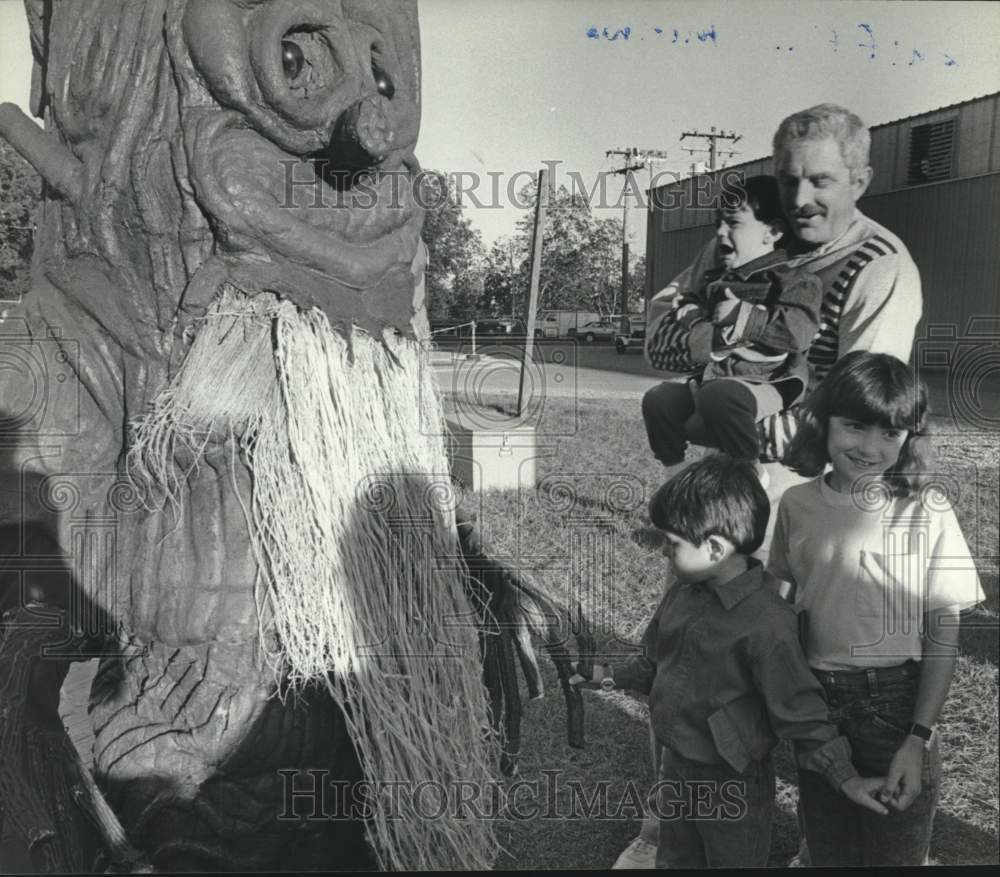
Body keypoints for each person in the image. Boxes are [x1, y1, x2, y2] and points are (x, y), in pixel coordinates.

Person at [570, 456, 888, 869]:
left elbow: (801, 711)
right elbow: (651, 663)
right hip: (676, 768)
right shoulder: (681, 596)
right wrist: (605, 676)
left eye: (672, 542)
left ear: (716, 549)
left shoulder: (767, 623)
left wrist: (844, 776)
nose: (664, 550)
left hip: (732, 784)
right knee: (676, 859)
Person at [768, 352, 985, 866]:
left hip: (897, 708)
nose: (870, 447)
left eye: (891, 432)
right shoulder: (796, 504)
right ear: (823, 422)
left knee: (895, 851)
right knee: (826, 847)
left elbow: (943, 630)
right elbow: (780, 607)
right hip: (817, 705)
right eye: (855, 426)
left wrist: (918, 737)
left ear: (911, 436)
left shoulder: (926, 510)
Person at [644, 104, 923, 463]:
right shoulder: (748, 238)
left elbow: (859, 411)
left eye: (820, 181)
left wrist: (709, 420)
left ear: (859, 182)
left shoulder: (881, 265)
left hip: (806, 474)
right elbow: (658, 340)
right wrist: (716, 343)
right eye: (788, 180)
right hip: (729, 437)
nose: (798, 200)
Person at [642, 175, 822, 482]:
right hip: (717, 377)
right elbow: (684, 307)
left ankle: (747, 470)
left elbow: (798, 331)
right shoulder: (715, 277)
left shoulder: (794, 280)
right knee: (659, 398)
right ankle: (675, 472)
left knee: (720, 397)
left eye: (734, 224)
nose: (721, 233)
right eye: (718, 225)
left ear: (773, 232)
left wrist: (746, 316)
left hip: (770, 383)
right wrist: (691, 310)